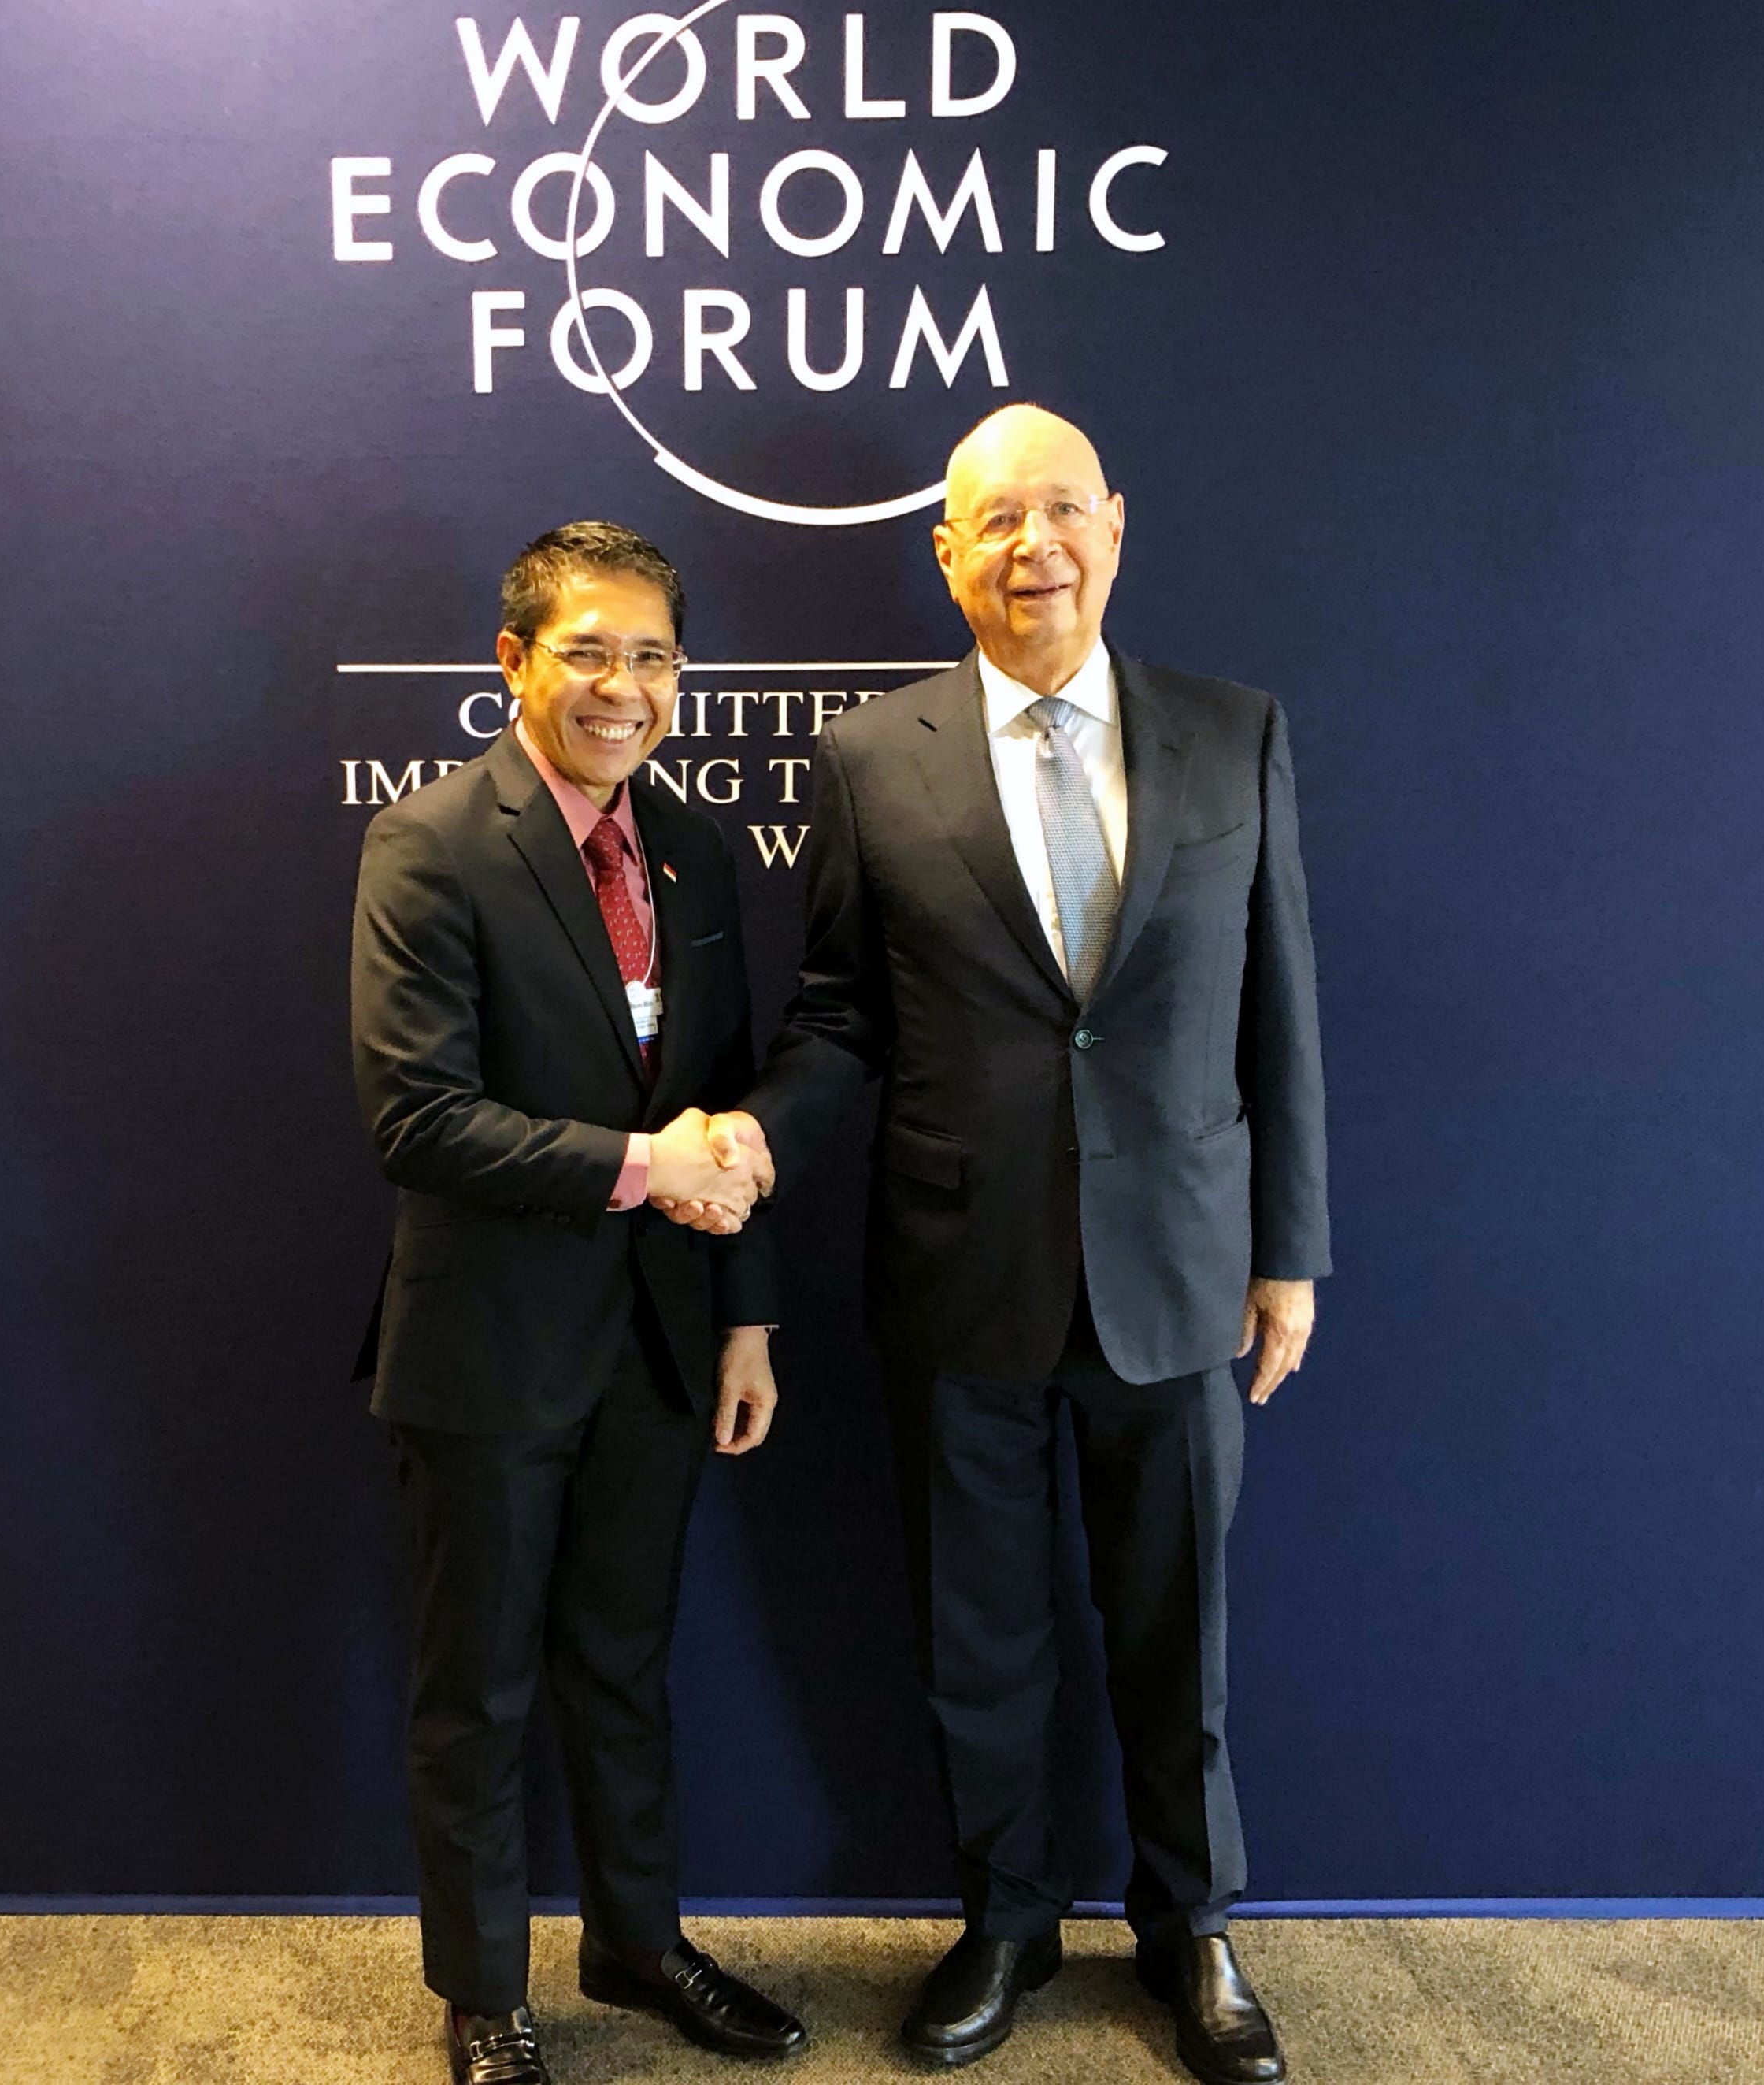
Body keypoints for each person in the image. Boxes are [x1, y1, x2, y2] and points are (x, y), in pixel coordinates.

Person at [671, 406, 1328, 2083]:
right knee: (978, 1635)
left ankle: (1192, 1929)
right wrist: (759, 1131)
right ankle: (1007, 1919)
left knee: (1176, 1633)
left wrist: (1287, 1249)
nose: (1033, 547)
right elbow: (839, 1011)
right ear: (946, 555)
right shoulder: (869, 757)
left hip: (1177, 1267)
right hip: (956, 1270)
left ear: (1113, 523)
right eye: (995, 522)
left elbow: (1280, 1005)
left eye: (1059, 510)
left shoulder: (1233, 730)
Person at [350, 521, 809, 2085]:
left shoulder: (690, 845)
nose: (623, 687)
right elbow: (417, 1117)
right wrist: (639, 1165)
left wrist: (746, 1318)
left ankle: (636, 1940)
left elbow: (723, 1102)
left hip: (661, 1345)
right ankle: (484, 1993)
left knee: (624, 1664)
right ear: (514, 662)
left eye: (652, 657)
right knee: (476, 1689)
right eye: (588, 652)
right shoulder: (428, 842)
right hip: (487, 1348)